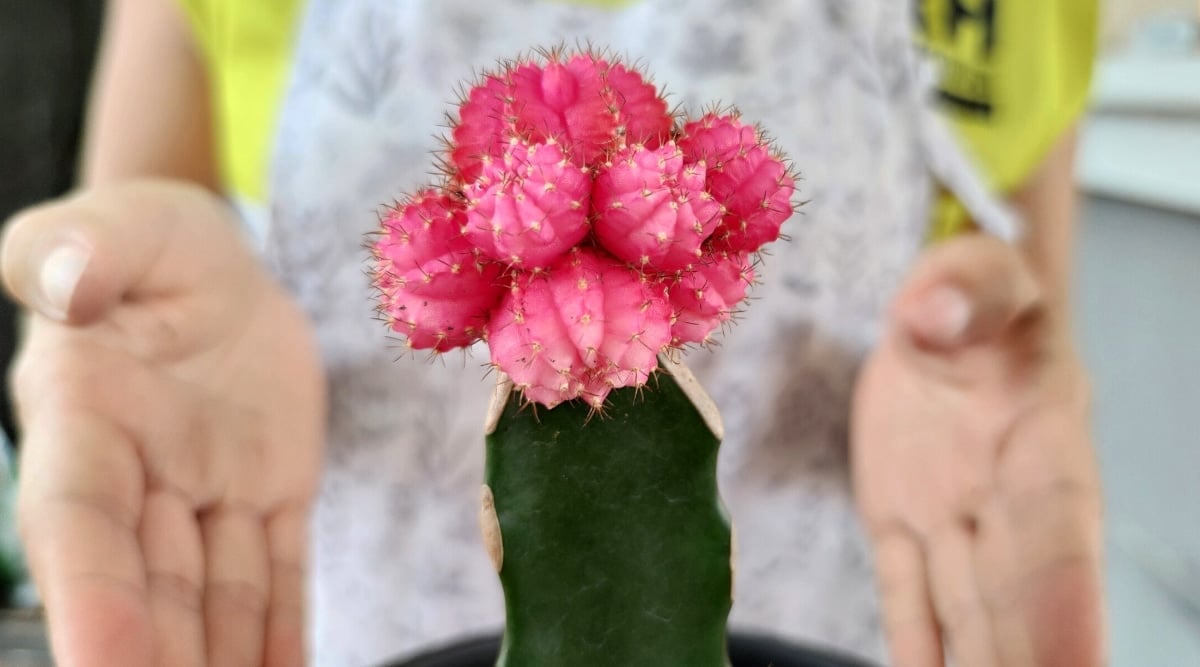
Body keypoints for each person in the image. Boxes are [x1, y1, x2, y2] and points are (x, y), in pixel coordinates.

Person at [0, 0, 1105, 665]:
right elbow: (146, 210)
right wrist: (141, 301)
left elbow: (1025, 297)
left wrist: (990, 336)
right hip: (331, 618)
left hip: (855, 626)